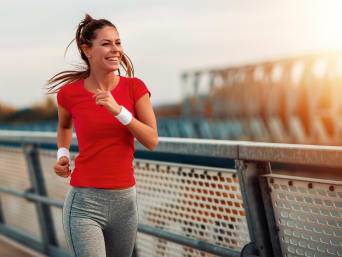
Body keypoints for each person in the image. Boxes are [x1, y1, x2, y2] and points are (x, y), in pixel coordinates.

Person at [46, 14, 158, 257]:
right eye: (106, 43)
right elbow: (65, 127)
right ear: (87, 50)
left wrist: (119, 111)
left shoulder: (134, 88)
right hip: (85, 203)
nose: (115, 49)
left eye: (118, 42)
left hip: (125, 204)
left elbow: (151, 140)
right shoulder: (68, 94)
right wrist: (62, 154)